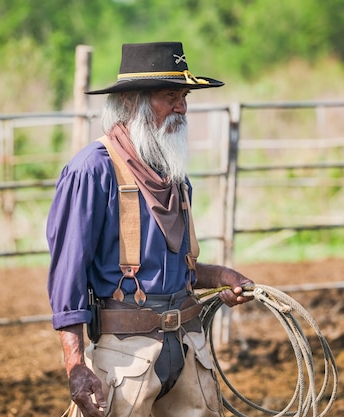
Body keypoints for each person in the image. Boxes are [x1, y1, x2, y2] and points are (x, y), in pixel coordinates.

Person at [46, 42, 254, 417]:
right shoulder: (92, 171)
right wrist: (75, 365)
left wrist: (221, 276)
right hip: (126, 359)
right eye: (170, 96)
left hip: (189, 349)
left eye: (184, 96)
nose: (182, 107)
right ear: (130, 102)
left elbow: (174, 271)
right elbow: (68, 275)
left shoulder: (173, 172)